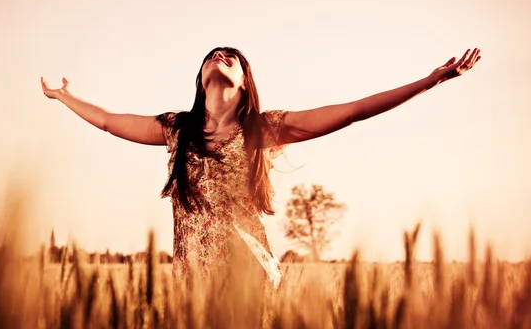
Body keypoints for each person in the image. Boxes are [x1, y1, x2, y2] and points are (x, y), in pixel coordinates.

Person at [41, 46, 481, 290]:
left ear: (245, 81)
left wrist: (429, 81)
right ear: (200, 80)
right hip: (190, 279)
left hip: (247, 278)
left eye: (231, 57)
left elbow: (352, 111)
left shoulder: (265, 129)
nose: (220, 56)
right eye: (212, 55)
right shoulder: (178, 129)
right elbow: (109, 122)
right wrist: (65, 97)